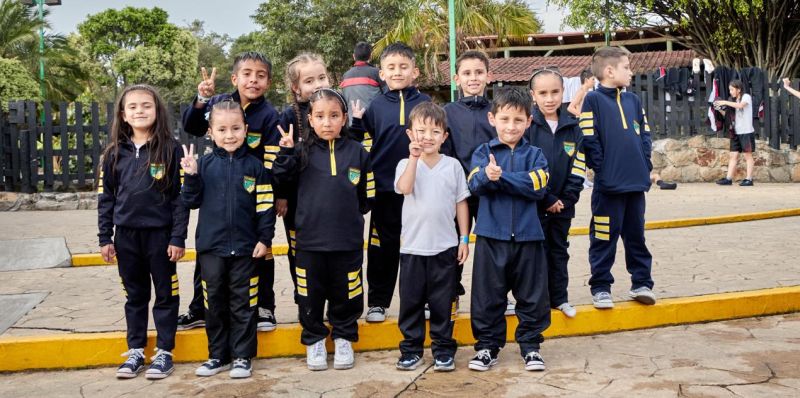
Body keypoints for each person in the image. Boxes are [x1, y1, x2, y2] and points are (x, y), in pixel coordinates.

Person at [273, 88, 373, 371]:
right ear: (310, 119)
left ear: (344, 119)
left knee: (348, 292)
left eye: (334, 115)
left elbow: (366, 195)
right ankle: (315, 339)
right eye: (320, 116)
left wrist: (353, 214)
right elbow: (281, 181)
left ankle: (343, 336)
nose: (327, 122)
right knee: (310, 294)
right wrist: (286, 152)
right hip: (309, 242)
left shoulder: (357, 152)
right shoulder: (300, 150)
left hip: (347, 241)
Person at [181, 52, 281, 332]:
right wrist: (201, 99)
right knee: (208, 252)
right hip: (216, 191)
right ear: (235, 78)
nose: (253, 80)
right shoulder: (218, 103)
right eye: (247, 74)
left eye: (260, 75)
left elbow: (272, 162)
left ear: (268, 82)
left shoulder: (269, 115)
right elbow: (192, 125)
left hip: (252, 195)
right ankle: (199, 308)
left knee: (262, 250)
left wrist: (277, 196)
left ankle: (264, 307)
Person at [98, 84, 189, 380]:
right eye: (133, 107)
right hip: (126, 237)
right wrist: (105, 238)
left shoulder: (170, 149)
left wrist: (178, 237)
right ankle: (136, 350)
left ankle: (164, 352)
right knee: (135, 295)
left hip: (160, 237)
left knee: (165, 294)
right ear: (123, 115)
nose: (140, 111)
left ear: (157, 110)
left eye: (146, 105)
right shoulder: (113, 154)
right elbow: (106, 198)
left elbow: (179, 198)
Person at [181, 100, 276, 379]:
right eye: (222, 129)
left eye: (236, 128)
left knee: (244, 304)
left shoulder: (256, 167)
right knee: (215, 304)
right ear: (211, 132)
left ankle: (242, 357)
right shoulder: (204, 165)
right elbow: (191, 201)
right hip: (211, 250)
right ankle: (217, 356)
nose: (230, 135)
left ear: (246, 130)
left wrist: (265, 238)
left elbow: (266, 206)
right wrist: (191, 176)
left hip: (247, 250)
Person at [467, 87, 551, 372]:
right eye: (504, 119)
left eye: (518, 120)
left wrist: (500, 179)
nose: (510, 126)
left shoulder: (537, 155)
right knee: (488, 296)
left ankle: (531, 347)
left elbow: (537, 186)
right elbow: (474, 185)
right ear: (492, 119)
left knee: (532, 296)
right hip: (491, 236)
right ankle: (487, 347)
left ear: (529, 121)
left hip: (529, 237)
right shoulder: (483, 152)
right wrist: (488, 177)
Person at [351, 42, 432, 323]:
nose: (397, 72)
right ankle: (377, 302)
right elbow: (362, 144)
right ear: (381, 74)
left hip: (421, 189)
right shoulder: (374, 107)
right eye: (391, 67)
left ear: (415, 71)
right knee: (381, 248)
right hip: (385, 190)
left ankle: (421, 299)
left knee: (420, 247)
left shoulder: (426, 104)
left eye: (403, 66)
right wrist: (357, 124)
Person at [394, 102, 470, 372]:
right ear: (410, 134)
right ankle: (411, 349)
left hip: (445, 249)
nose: (427, 136)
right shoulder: (405, 164)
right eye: (421, 130)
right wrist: (414, 159)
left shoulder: (453, 167)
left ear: (444, 136)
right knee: (411, 304)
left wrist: (464, 239)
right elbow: (404, 188)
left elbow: (462, 204)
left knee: (443, 304)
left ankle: (443, 349)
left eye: (434, 131)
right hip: (413, 249)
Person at [580, 47, 655, 309]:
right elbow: (589, 138)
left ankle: (642, 283)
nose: (631, 71)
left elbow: (645, 135)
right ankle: (601, 287)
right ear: (610, 71)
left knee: (637, 235)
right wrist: (603, 170)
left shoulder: (633, 100)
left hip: (636, 184)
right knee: (603, 236)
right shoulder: (593, 101)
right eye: (626, 67)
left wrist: (645, 165)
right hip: (607, 187)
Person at [442, 51, 514, 317]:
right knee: (452, 245)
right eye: (467, 73)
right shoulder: (447, 112)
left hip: (490, 190)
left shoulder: (497, 112)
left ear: (489, 76)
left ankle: (499, 296)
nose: (473, 78)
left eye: (479, 72)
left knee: (495, 245)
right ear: (456, 78)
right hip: (457, 193)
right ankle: (449, 294)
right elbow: (444, 151)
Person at [525, 67, 584, 319]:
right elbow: (526, 165)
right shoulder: (527, 125)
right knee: (534, 253)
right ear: (533, 95)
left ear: (563, 92)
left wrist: (565, 199)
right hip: (535, 205)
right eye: (543, 93)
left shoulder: (573, 127)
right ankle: (535, 301)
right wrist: (546, 197)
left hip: (563, 206)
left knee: (559, 250)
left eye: (555, 92)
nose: (549, 98)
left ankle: (559, 298)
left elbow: (579, 166)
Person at [276, 52, 331, 305]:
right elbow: (281, 164)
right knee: (300, 252)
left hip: (330, 200)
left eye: (322, 77)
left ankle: (332, 297)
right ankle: (304, 299)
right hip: (298, 204)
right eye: (309, 81)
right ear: (296, 88)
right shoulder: (288, 119)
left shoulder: (336, 112)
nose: (318, 84)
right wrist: (283, 195)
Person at [714, 80, 755, 186]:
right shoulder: (732, 100)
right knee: (733, 155)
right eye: (729, 90)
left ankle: (749, 179)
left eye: (732, 89)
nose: (730, 92)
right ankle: (728, 179)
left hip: (746, 132)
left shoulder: (746, 97)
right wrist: (719, 109)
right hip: (735, 132)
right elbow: (727, 116)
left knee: (748, 156)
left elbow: (741, 106)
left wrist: (725, 102)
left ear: (739, 89)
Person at [341, 42, 384, 125]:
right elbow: (389, 96)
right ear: (370, 56)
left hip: (353, 127)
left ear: (354, 56)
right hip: (375, 126)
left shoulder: (345, 76)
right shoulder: (377, 73)